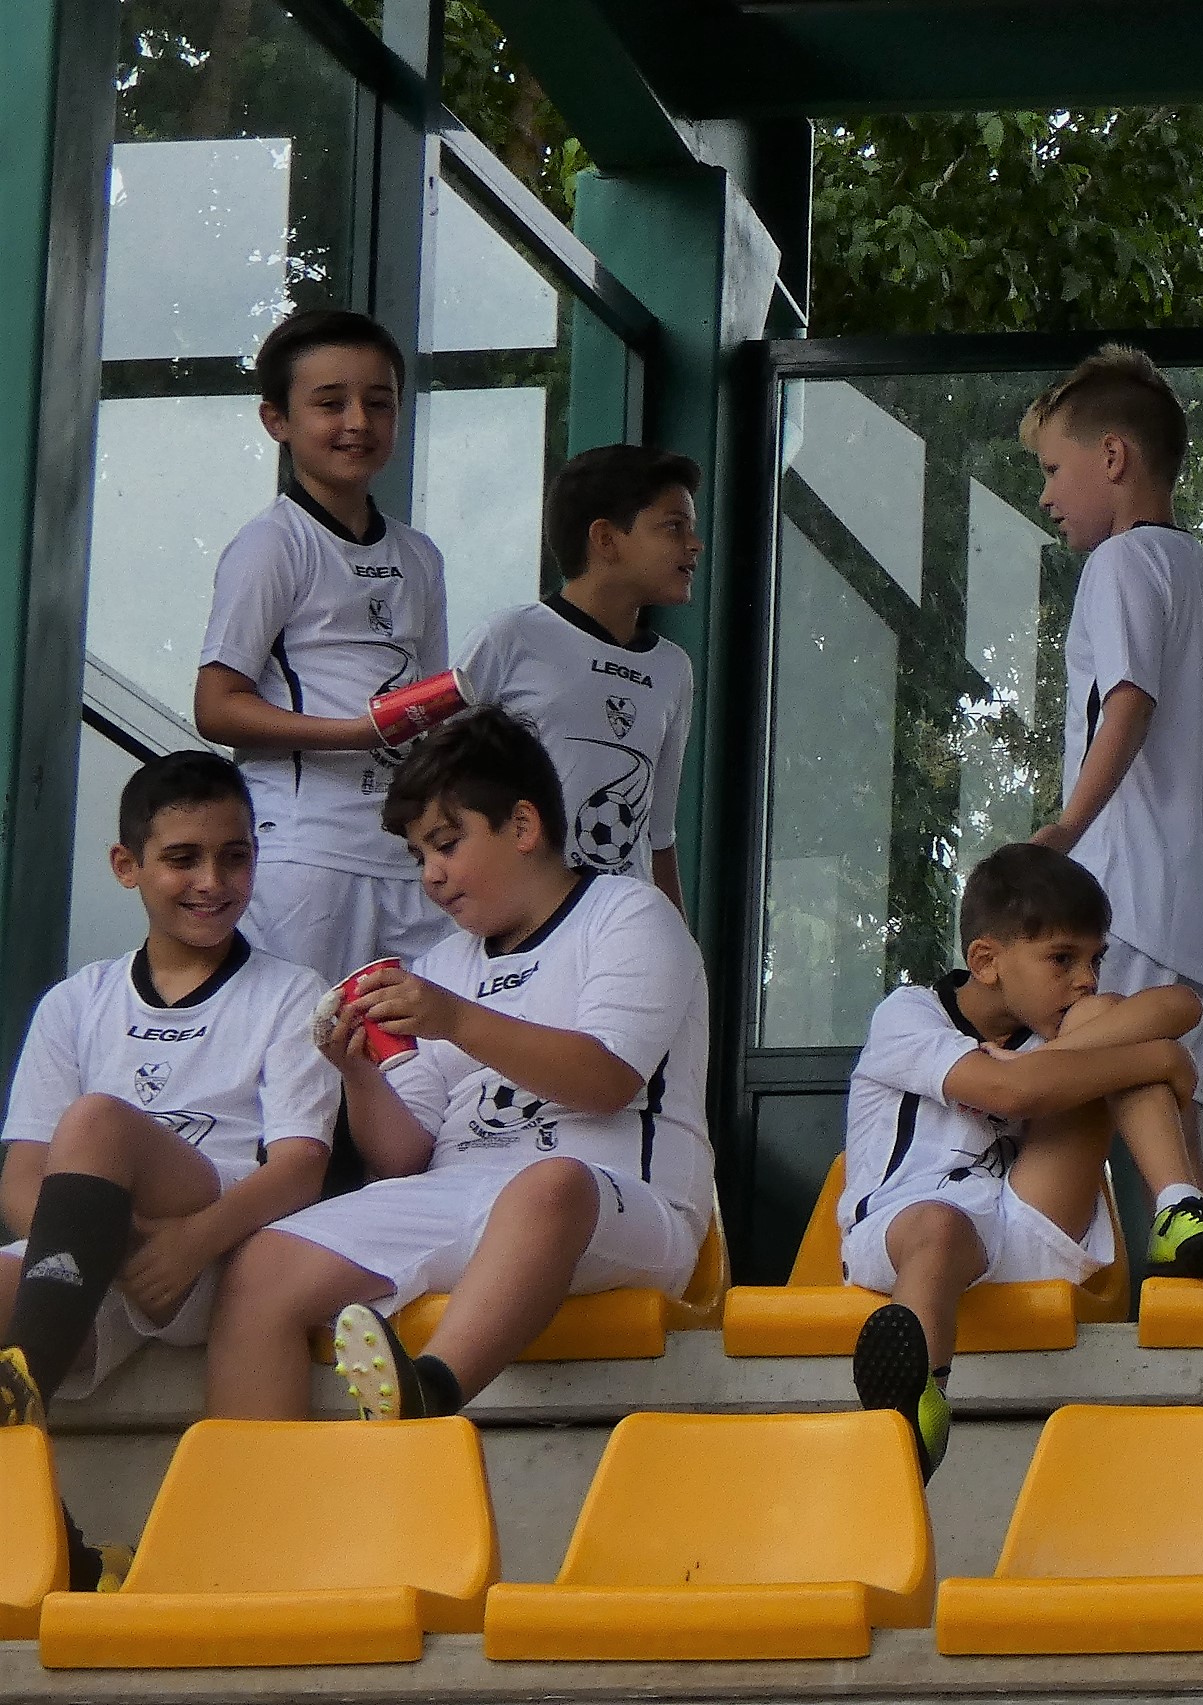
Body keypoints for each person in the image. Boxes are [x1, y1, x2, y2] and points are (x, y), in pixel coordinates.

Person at [203, 707, 712, 1421]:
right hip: (458, 1195)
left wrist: (456, 1019)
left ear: (524, 826)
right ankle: (249, 1489)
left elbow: (605, 1080)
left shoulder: (630, 913)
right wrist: (358, 1073)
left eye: (446, 844)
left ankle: (427, 1393)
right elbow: (403, 1156)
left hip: (620, 1201)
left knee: (549, 1185)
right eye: (419, 857)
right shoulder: (440, 965)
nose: (432, 877)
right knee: (260, 1268)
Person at [0, 755, 337, 1590]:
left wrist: (192, 1243)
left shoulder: (291, 992)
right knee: (87, 1141)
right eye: (184, 857)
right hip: (98, 1266)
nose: (213, 881)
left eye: (235, 855)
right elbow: (21, 1181)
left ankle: (24, 1380)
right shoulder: (76, 1001)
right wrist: (105, 1245)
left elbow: (301, 1165)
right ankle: (72, 1557)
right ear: (127, 865)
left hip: (216, 1240)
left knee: (97, 1120)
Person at [841, 843, 1203, 1475]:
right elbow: (1010, 1093)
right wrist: (1160, 1060)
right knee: (940, 1224)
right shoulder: (909, 1014)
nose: (1086, 977)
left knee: (1105, 1024)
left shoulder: (1061, 1026)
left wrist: (1067, 1058)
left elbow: (1182, 1005)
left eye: (1096, 958)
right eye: (1062, 958)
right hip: (904, 1233)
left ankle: (1180, 1208)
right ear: (986, 961)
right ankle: (917, 1410)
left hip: (1024, 1225)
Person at [1018, 345, 1203, 1279]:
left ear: (1112, 457)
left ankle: (1032, 1270)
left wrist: (1062, 833)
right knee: (1172, 1113)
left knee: (1050, 1068)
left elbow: (1127, 702)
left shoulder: (1122, 563)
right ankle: (1200, 1269)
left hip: (1127, 895)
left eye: (1053, 469)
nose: (1047, 496)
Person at [194, 307, 454, 976]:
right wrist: (356, 732)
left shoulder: (420, 556)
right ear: (276, 420)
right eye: (330, 403)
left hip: (410, 855)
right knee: (304, 1035)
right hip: (304, 854)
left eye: (379, 402)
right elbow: (216, 706)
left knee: (431, 1039)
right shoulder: (272, 543)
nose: (358, 422)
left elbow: (432, 709)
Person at [456, 445, 701, 907]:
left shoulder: (673, 668)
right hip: (522, 914)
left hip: (620, 918)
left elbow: (659, 834)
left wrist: (676, 938)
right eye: (674, 527)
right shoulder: (511, 636)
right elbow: (436, 783)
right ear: (605, 539)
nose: (694, 544)